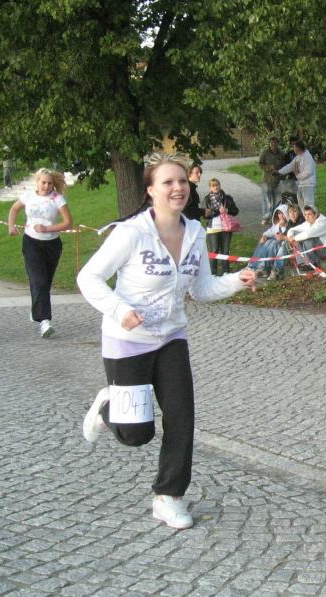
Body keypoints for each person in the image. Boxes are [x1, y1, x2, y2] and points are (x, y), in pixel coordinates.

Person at [77, 152, 257, 530]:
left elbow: (202, 289)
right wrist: (119, 309)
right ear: (151, 191)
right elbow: (88, 278)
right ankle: (108, 407)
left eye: (182, 181)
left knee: (181, 417)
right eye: (168, 182)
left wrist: (236, 281)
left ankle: (168, 497)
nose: (178, 188)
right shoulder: (131, 233)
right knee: (136, 434)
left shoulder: (194, 233)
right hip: (128, 339)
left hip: (172, 337)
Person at [7, 168, 74, 338]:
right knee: (39, 281)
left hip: (52, 244)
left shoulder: (57, 198)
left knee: (45, 283)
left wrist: (47, 228)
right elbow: (14, 209)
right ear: (37, 182)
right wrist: (11, 226)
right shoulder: (28, 196)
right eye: (43, 182)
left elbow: (68, 223)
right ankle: (45, 322)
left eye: (50, 183)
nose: (46, 186)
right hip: (31, 242)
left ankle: (36, 309)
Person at [203, 178, 239, 274]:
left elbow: (236, 211)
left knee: (225, 251)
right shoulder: (207, 199)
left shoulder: (227, 198)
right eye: (213, 186)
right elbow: (205, 215)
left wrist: (227, 210)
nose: (216, 187)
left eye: (217, 185)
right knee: (214, 251)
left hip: (226, 227)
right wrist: (217, 211)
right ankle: (213, 273)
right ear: (210, 188)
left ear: (220, 185)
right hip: (213, 228)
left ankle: (226, 271)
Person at [248, 204, 291, 281]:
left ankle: (264, 267)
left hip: (285, 245)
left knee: (272, 243)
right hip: (278, 242)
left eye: (282, 213)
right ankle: (253, 265)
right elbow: (270, 231)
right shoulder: (278, 224)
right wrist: (264, 236)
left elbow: (287, 236)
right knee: (264, 242)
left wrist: (282, 228)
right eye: (279, 213)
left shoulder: (290, 225)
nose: (280, 215)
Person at [277, 140, 317, 208]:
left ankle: (312, 215)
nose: (293, 149)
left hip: (308, 184)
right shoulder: (298, 157)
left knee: (309, 205)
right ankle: (304, 215)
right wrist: (279, 172)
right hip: (301, 184)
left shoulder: (307, 157)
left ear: (298, 148)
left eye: (294, 147)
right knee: (301, 204)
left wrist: (298, 175)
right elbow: (290, 166)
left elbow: (308, 172)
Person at [258, 137, 284, 224]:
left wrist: (280, 170)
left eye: (275, 142)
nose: (273, 144)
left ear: (278, 143)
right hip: (267, 180)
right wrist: (269, 167)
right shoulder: (265, 153)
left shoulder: (281, 153)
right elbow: (260, 164)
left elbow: (285, 165)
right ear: (269, 143)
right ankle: (265, 218)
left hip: (278, 180)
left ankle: (274, 218)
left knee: (276, 201)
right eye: (271, 143)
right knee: (267, 201)